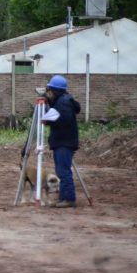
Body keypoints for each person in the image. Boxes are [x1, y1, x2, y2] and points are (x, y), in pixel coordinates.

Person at [42, 75, 80, 208]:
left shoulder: (63, 102)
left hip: (64, 142)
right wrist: (49, 105)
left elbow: (62, 119)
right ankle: (63, 198)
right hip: (63, 141)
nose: (49, 93)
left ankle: (69, 199)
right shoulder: (63, 100)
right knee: (61, 171)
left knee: (63, 172)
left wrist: (47, 114)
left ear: (55, 90)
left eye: (50, 90)